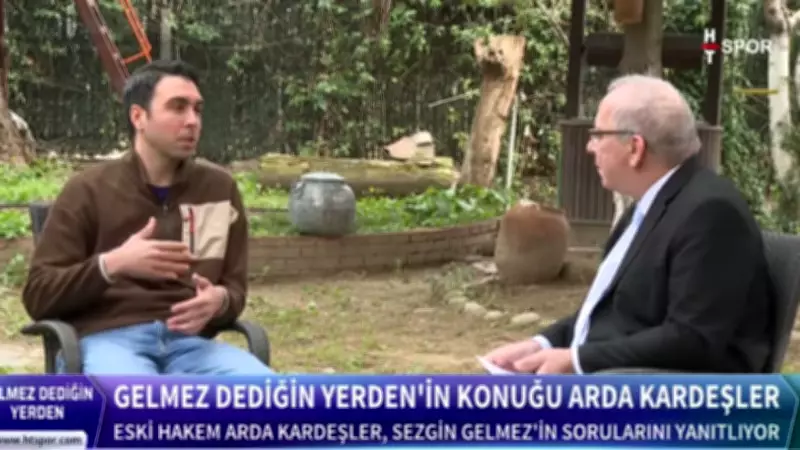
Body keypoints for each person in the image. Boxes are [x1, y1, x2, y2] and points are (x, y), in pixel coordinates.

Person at [484, 74, 774, 374]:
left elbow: (692, 340)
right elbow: (610, 312)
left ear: (635, 148)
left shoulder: (711, 214)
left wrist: (576, 362)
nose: (590, 147)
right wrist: (541, 344)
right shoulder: (650, 205)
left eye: (598, 135)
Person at [22, 60, 273, 375]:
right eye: (178, 108)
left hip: (192, 346)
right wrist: (112, 264)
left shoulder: (219, 189)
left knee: (268, 393)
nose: (192, 121)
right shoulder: (88, 189)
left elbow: (234, 289)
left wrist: (220, 301)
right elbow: (39, 295)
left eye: (197, 110)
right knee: (136, 398)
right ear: (138, 117)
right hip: (108, 342)